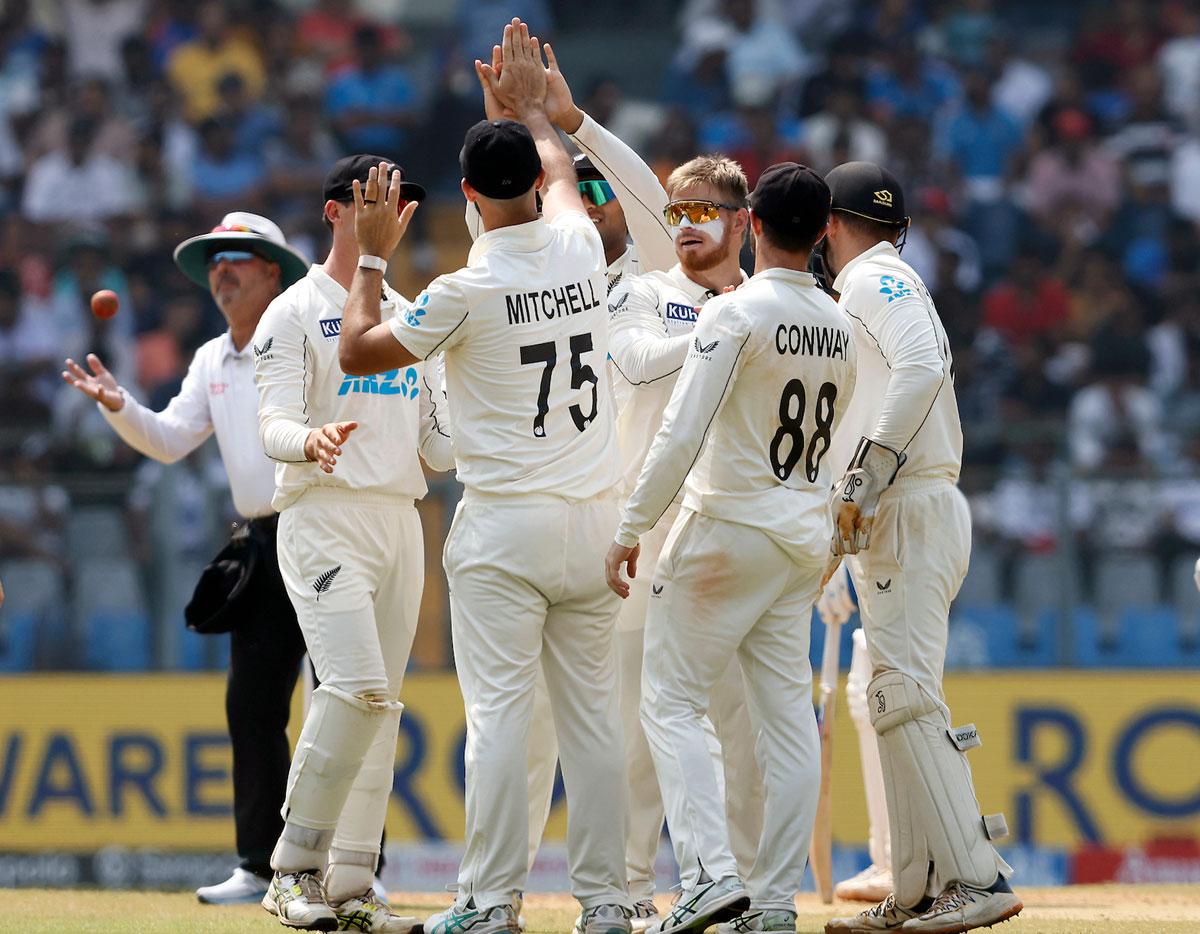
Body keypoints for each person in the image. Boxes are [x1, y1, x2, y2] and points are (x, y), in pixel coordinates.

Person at [339, 20, 633, 934]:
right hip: (594, 519)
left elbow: (355, 352)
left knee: (503, 720)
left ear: (465, 194)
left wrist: (376, 255)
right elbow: (558, 178)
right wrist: (537, 112)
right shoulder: (583, 246)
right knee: (591, 726)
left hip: (506, 526)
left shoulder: (462, 291)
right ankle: (610, 904)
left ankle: (489, 902)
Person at [606, 162, 855, 934]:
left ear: (749, 221)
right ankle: (773, 900)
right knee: (784, 723)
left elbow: (681, 434)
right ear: (821, 232)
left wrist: (627, 528)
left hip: (723, 528)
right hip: (798, 536)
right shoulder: (843, 324)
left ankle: (711, 876)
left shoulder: (733, 314)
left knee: (669, 702)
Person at [60, 211, 322, 907]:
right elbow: (172, 439)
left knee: (340, 702)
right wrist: (119, 405)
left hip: (327, 529)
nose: (221, 269)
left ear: (274, 269)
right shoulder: (212, 358)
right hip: (264, 541)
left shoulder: (307, 340)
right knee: (252, 708)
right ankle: (261, 865)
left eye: (237, 256)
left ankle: (356, 862)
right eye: (214, 259)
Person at [818, 163, 1022, 934]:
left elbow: (926, 368)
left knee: (903, 695)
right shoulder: (885, 275)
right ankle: (914, 887)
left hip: (906, 505)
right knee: (888, 694)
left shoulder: (875, 280)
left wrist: (863, 477)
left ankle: (974, 876)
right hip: (906, 506)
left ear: (834, 227)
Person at [252, 154, 440, 933]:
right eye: (377, 199)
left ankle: (354, 883)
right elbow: (271, 426)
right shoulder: (292, 312)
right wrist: (311, 441)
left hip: (401, 518)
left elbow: (440, 440)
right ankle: (291, 870)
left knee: (383, 707)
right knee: (356, 688)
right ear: (337, 210)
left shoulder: (410, 309)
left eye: (402, 202)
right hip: (323, 512)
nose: (395, 213)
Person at [814, 567, 893, 904]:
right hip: (869, 563)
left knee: (893, 691)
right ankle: (888, 860)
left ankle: (906, 860)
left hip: (900, 562)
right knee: (865, 693)